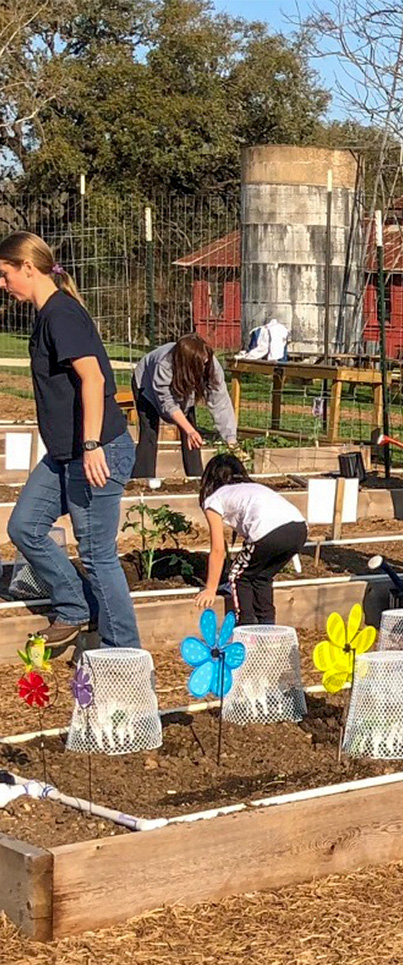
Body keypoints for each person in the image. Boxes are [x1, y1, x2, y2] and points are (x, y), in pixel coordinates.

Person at [0, 231, 139, 650]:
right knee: (24, 526)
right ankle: (76, 608)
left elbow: (93, 378)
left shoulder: (61, 313)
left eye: (5, 275)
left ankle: (124, 655)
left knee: (98, 555)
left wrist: (92, 445)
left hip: (95, 452)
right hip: (65, 456)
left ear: (28, 267)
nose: (2, 284)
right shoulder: (48, 314)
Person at [194, 454, 307, 624]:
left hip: (268, 531)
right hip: (299, 529)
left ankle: (245, 627)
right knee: (262, 576)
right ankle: (267, 628)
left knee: (238, 576)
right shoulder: (253, 487)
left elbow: (217, 550)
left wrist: (210, 589)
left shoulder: (213, 499)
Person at [131, 335, 237, 479]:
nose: (205, 365)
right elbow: (167, 403)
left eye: (206, 362)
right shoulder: (164, 365)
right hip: (146, 383)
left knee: (192, 433)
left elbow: (220, 401)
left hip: (183, 385)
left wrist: (230, 438)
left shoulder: (211, 364)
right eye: (202, 364)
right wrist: (189, 430)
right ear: (188, 363)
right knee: (149, 433)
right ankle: (142, 480)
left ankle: (196, 477)